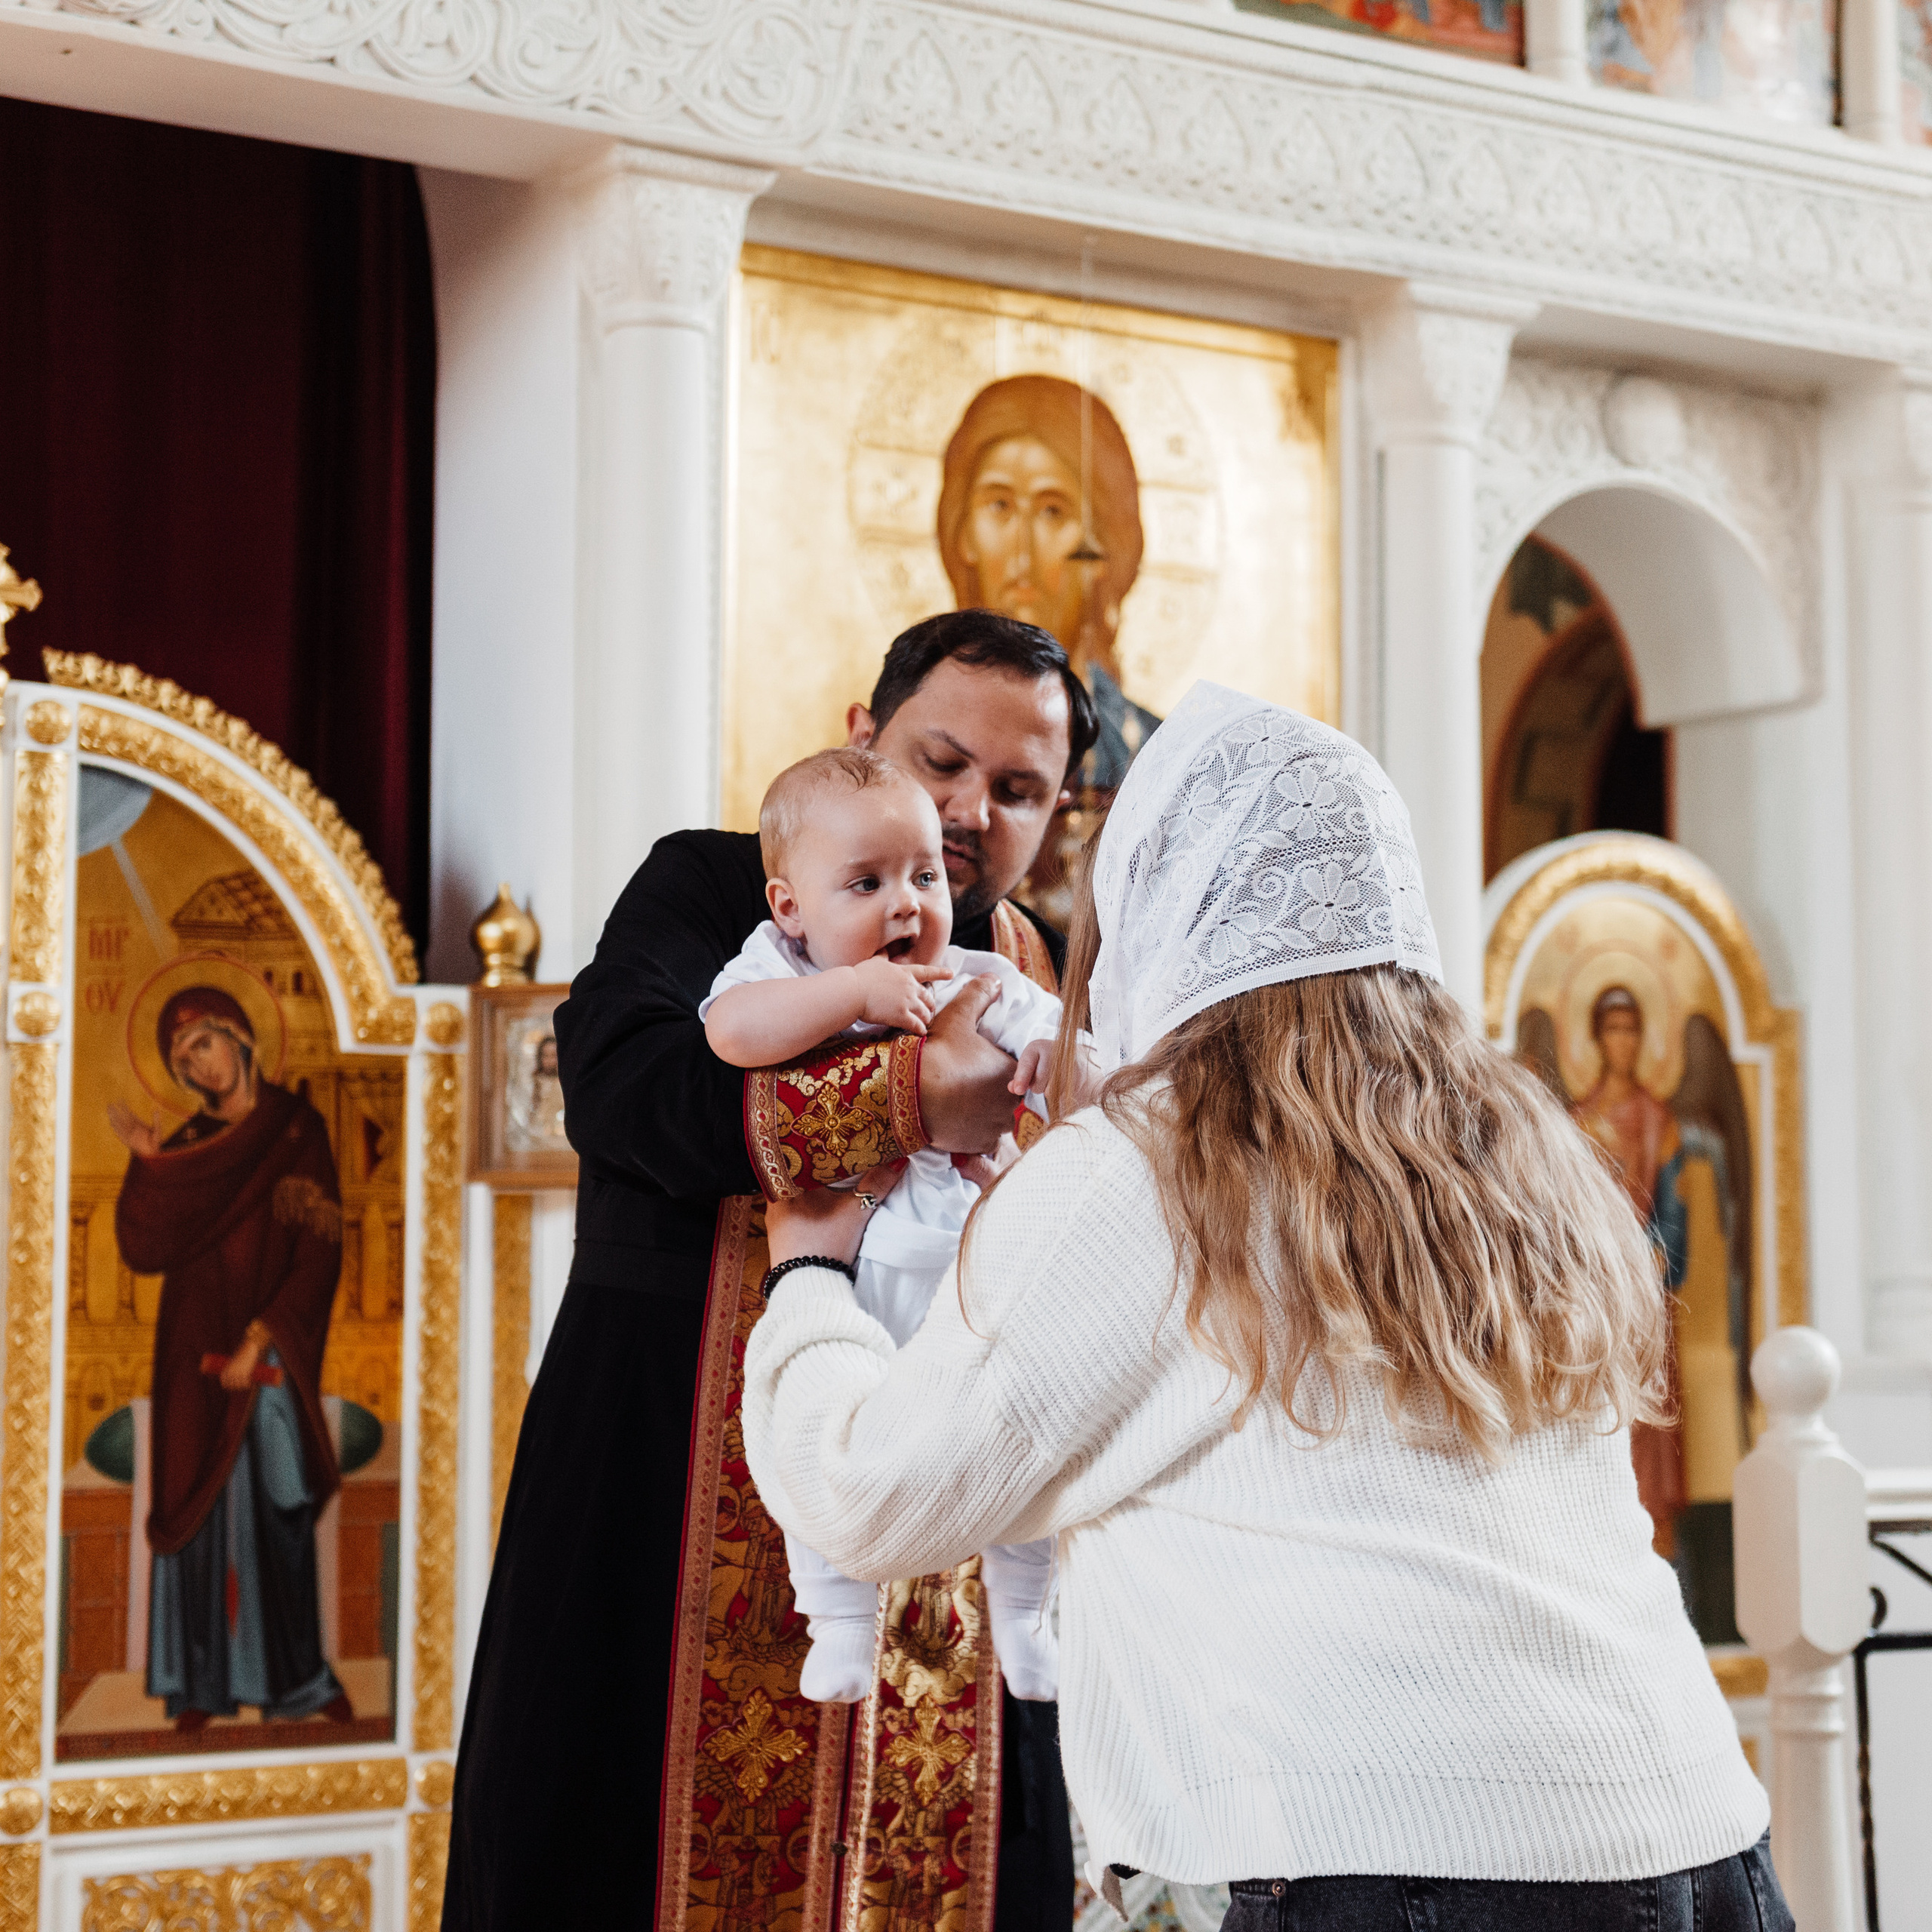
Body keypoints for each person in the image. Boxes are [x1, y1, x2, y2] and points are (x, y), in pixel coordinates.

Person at [743, 683, 1786, 1930]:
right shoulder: (1520, 1145)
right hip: (1696, 1828)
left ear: (1156, 909)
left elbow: (871, 1496)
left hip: (1403, 1862)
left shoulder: (1144, 1161)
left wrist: (806, 1274)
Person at [443, 611, 1099, 1932]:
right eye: (944, 761)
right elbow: (625, 1094)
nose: (972, 811)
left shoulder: (1029, 961)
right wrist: (914, 1095)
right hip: (670, 1487)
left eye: (1017, 790)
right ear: (864, 738)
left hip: (948, 1523)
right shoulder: (716, 885)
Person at [704, 746, 1094, 1705]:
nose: (906, 905)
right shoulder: (779, 967)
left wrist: (1044, 1046)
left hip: (969, 1256)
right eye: (866, 883)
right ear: (791, 907)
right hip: (858, 1256)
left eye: (923, 876)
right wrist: (853, 996)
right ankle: (836, 1619)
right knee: (827, 1436)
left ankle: (1024, 1612)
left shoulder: (970, 971)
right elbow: (731, 1033)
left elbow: (1062, 1038)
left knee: (1021, 1426)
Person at [109, 987, 351, 1732]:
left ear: (239, 1036)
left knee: (280, 1508)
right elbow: (142, 1250)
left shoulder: (293, 1131)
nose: (198, 1066)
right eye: (183, 1060)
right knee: (197, 1513)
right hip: (191, 1355)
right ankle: (198, 1686)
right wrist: (150, 1169)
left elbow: (319, 1248)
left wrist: (264, 1333)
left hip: (270, 1355)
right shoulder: (183, 1149)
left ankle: (300, 1682)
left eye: (204, 1045)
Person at [1573, 984, 1692, 1552]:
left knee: (1652, 1426)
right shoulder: (1575, 1121)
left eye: (1631, 1030)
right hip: (1594, 1303)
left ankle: (1658, 1545)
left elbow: (1673, 1214)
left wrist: (1648, 1256)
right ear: (1597, 1039)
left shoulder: (1657, 1121)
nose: (1622, 1042)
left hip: (1647, 1297)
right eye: (1612, 1030)